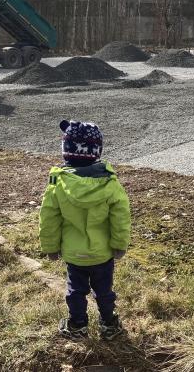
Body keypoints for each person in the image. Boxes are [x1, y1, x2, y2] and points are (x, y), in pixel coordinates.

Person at [39, 120, 131, 341]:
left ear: (66, 151)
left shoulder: (57, 184)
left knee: (76, 290)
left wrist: (51, 247)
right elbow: (121, 217)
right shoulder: (110, 183)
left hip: (74, 254)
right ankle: (109, 324)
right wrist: (119, 245)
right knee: (104, 290)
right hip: (103, 253)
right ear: (97, 151)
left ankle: (78, 325)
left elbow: (49, 218)